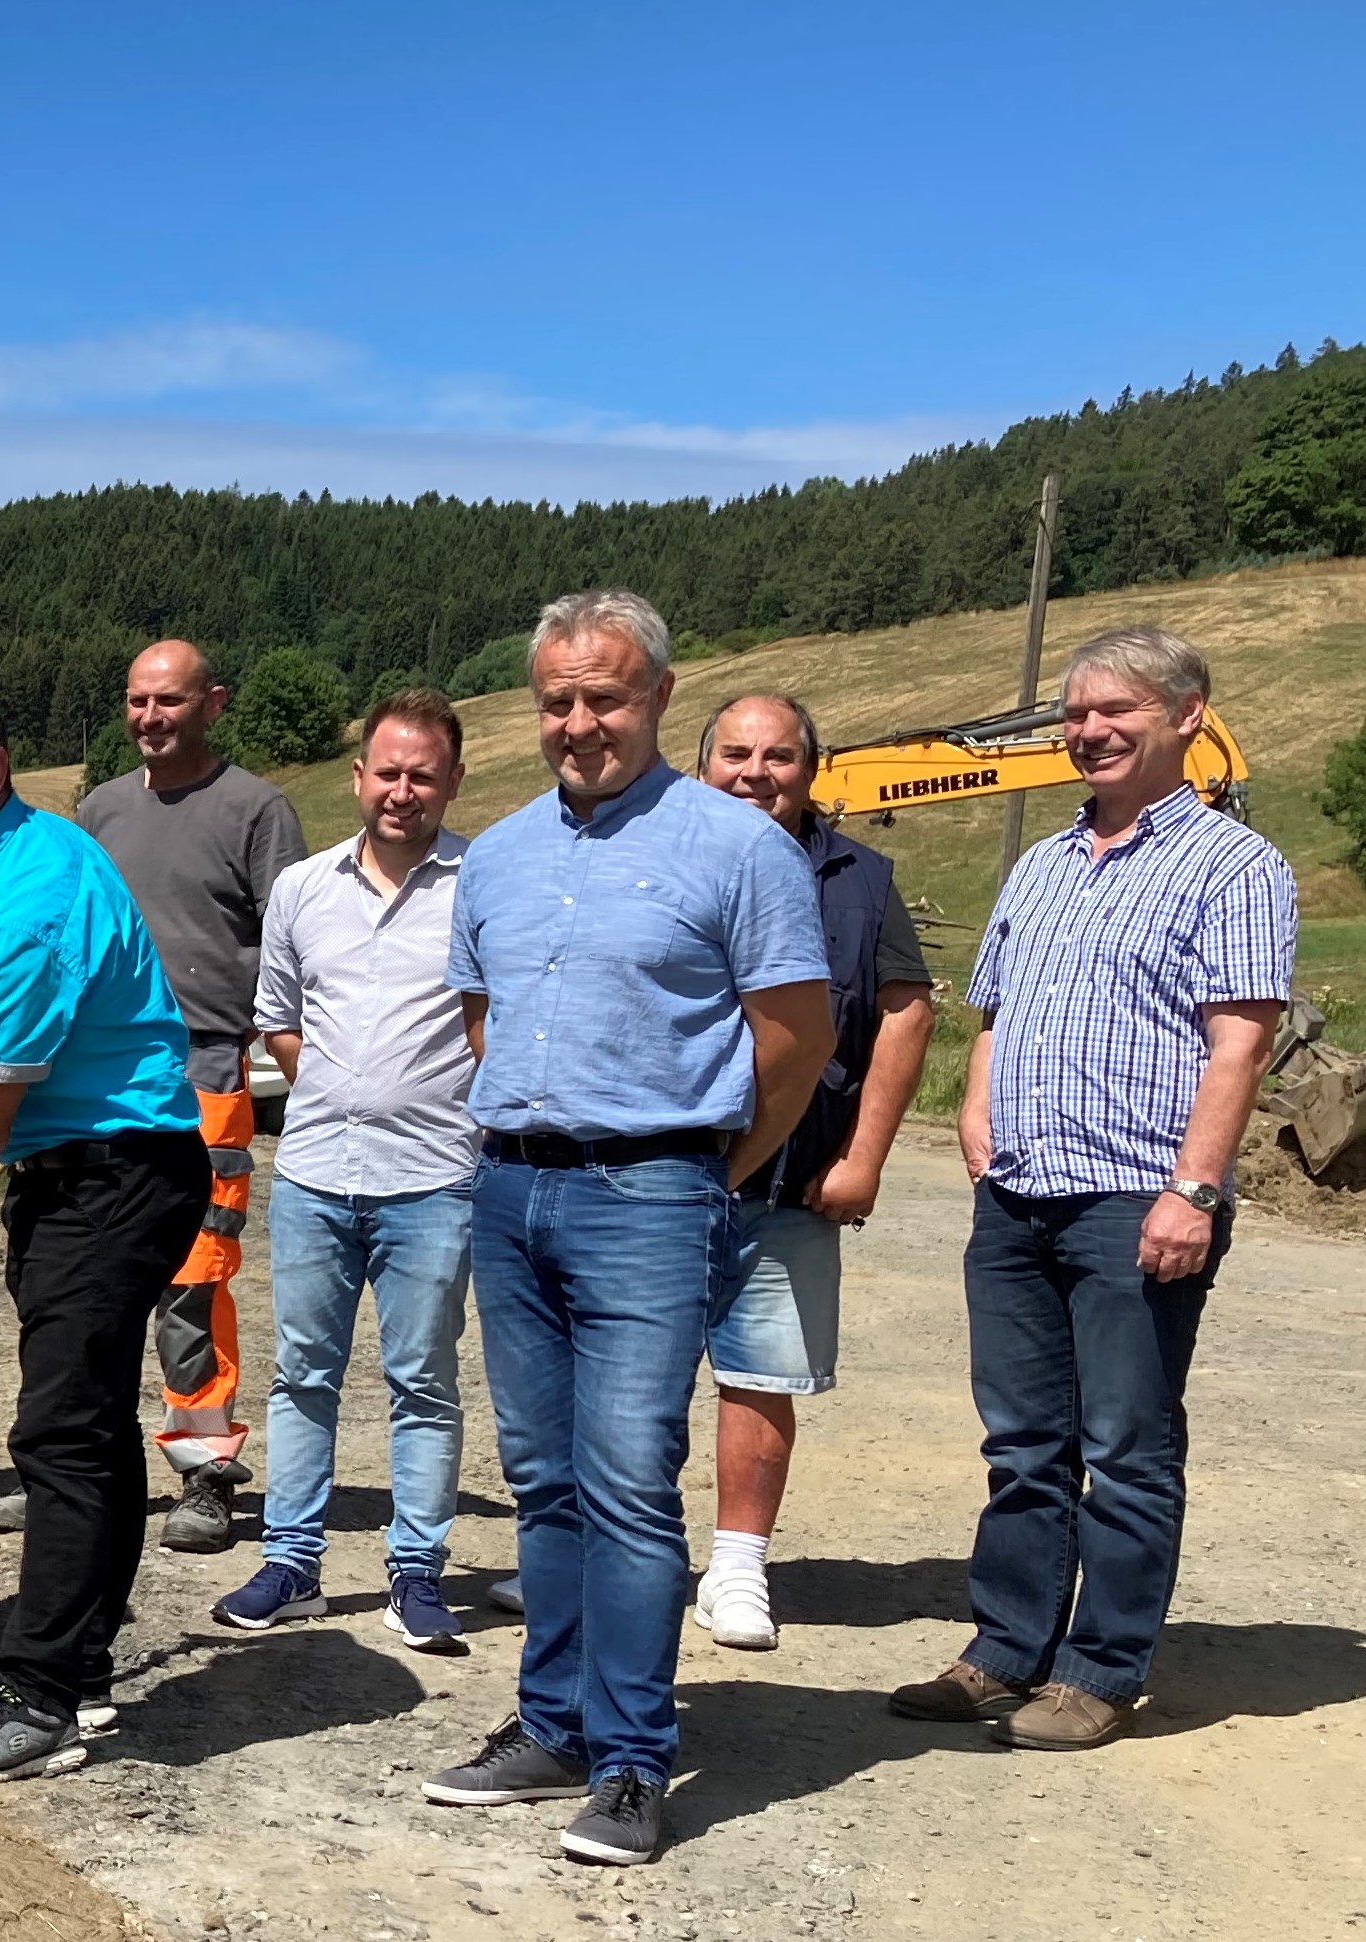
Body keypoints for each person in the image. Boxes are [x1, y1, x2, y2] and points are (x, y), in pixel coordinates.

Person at [420, 591, 830, 1868]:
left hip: (653, 1192)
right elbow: (485, 1021)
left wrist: (710, 1169)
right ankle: (550, 1723)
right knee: (540, 1480)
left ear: (656, 695)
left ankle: (634, 1758)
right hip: (512, 1186)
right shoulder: (493, 855)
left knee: (626, 1483)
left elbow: (797, 1035)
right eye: (556, 700)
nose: (578, 721)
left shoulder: (737, 847)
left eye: (604, 696)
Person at [891, 627, 1291, 1752]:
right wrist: (976, 1116)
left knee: (1123, 1445)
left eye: (1114, 710)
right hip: (1017, 1197)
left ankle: (1100, 1670)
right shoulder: (1042, 863)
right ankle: (1004, 1650)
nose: (1088, 731)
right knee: (1021, 1440)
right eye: (1074, 713)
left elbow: (1236, 1048)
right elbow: (996, 1014)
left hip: (1135, 1199)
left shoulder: (1231, 866)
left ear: (1186, 715)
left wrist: (1193, 1193)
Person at [0, 677, 206, 1782]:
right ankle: (74, 1661)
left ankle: (39, 1697)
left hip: (116, 1172)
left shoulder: (24, 900)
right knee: (91, 1430)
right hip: (77, 1172)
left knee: (59, 1434)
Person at [215, 691, 482, 1655]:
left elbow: (493, 1024)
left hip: (435, 1176)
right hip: (320, 1172)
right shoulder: (302, 889)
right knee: (302, 1374)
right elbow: (278, 1014)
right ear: (359, 776)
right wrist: (341, 1088)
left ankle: (416, 1574)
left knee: (423, 1381)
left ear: (451, 781)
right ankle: (291, 1560)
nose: (402, 790)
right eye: (387, 771)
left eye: (423, 774)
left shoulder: (479, 885)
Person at [689, 693, 936, 1650]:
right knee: (633, 1377)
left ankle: (739, 1565)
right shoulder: (655, 853)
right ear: (702, 763)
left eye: (780, 756)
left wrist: (863, 1157)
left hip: (789, 1180)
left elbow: (905, 1014)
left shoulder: (860, 880)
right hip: (658, 1175)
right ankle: (608, 1551)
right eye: (737, 754)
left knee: (759, 1373)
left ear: (812, 770)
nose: (757, 773)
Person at [68, 638, 308, 1553]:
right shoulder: (100, 810)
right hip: (96, 1075)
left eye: (168, 701)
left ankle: (205, 1472)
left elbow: (292, 942)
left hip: (205, 1068)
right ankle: (76, 1468)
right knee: (85, 1273)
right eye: (136, 701)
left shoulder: (255, 809)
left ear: (214, 703)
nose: (150, 718)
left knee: (191, 1279)